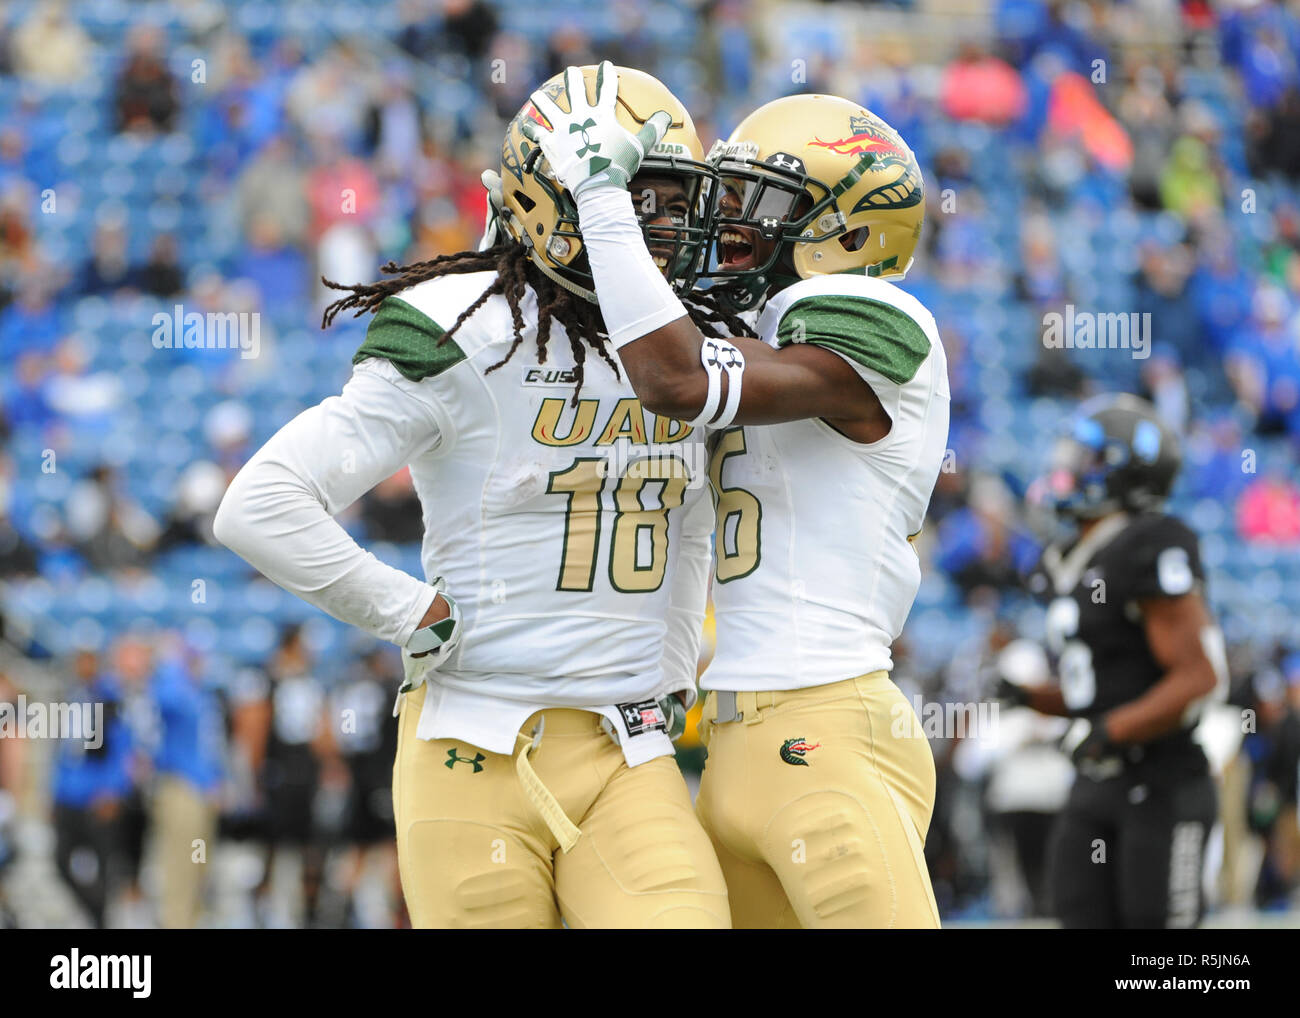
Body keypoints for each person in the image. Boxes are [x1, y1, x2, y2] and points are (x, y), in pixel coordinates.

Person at [215, 65, 740, 928]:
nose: (670, 228)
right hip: (470, 743)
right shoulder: (469, 328)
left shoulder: (690, 346)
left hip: (626, 749)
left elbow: (686, 515)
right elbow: (261, 502)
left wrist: (674, 669)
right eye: (641, 199)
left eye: (678, 202)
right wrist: (413, 612)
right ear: (552, 203)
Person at [523, 68, 948, 926]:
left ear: (844, 228)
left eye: (764, 202)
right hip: (731, 746)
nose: (732, 222)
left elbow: (676, 380)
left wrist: (602, 200)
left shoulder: (876, 317)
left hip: (828, 723)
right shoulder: (759, 326)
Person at [1009, 394, 1227, 928]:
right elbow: (1102, 691)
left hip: (1162, 781)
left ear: (1121, 470)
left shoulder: (1149, 543)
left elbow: (1198, 677)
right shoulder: (1077, 555)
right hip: (1096, 783)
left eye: (1083, 457)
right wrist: (1027, 697)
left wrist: (1111, 730)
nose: (1066, 469)